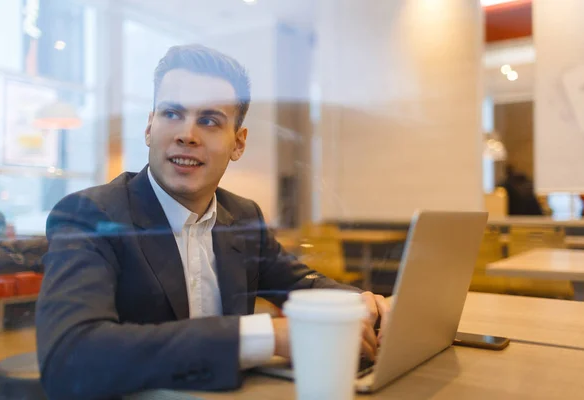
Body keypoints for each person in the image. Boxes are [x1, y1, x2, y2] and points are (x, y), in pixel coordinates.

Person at [36, 44, 389, 400]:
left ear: (238, 143)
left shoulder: (243, 216)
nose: (187, 134)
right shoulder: (89, 214)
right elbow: (70, 357)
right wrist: (273, 335)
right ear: (149, 127)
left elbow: (302, 285)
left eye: (209, 120)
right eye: (172, 114)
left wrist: (363, 304)